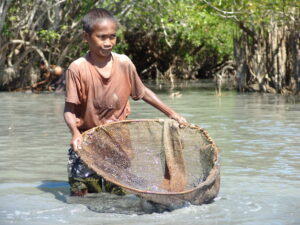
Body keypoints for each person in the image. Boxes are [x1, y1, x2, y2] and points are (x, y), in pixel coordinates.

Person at [64, 8, 187, 197]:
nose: (108, 43)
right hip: (86, 142)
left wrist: (172, 113)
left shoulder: (124, 63)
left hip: (118, 144)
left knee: (118, 195)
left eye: (112, 37)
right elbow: (69, 109)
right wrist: (74, 134)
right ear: (86, 37)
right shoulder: (77, 68)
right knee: (83, 194)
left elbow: (143, 92)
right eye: (101, 37)